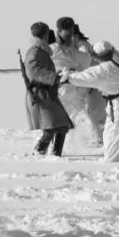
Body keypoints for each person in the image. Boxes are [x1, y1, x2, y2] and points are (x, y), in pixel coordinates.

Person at [64, 41, 119, 162]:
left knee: (112, 142)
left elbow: (86, 78)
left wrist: (68, 76)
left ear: (97, 56)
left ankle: (112, 165)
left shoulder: (105, 69)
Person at [52, 17, 103, 148]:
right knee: (74, 116)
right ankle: (60, 147)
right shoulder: (54, 48)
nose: (69, 35)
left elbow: (84, 61)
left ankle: (89, 141)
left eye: (71, 31)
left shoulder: (74, 47)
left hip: (74, 87)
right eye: (67, 32)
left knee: (79, 115)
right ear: (59, 30)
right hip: (62, 88)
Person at [24, 22, 72, 157]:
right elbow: (34, 72)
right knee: (50, 128)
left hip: (47, 93)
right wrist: (55, 78)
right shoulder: (34, 51)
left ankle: (56, 155)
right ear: (45, 35)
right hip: (39, 94)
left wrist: (58, 76)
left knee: (62, 125)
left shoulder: (40, 50)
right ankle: (38, 154)